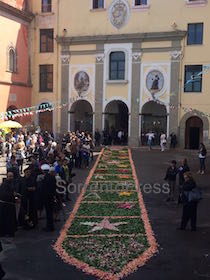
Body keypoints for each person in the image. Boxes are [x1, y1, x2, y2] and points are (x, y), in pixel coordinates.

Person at [0, 172, 17, 237]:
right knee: (7, 220)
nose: (11, 178)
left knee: (10, 219)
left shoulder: (11, 183)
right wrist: (13, 194)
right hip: (6, 205)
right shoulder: (4, 184)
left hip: (10, 204)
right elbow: (3, 195)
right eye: (10, 176)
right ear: (7, 176)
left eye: (12, 176)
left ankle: (10, 231)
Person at [41, 164, 56, 232]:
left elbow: (44, 189)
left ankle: (49, 226)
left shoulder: (45, 178)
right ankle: (51, 226)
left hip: (47, 198)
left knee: (48, 213)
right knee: (50, 212)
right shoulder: (52, 177)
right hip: (51, 197)